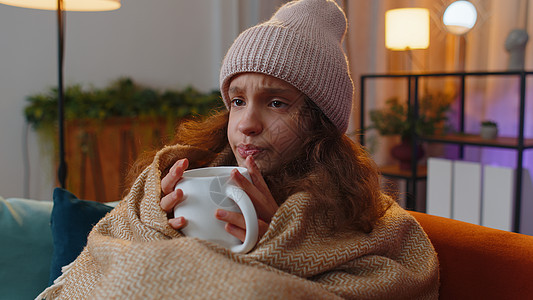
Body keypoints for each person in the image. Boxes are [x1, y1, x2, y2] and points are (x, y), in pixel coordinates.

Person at [39, 0, 439, 299]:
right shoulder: (188, 170)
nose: (246, 123)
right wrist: (159, 222)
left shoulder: (368, 219)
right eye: (237, 100)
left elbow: (400, 277)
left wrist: (282, 243)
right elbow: (115, 247)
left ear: (320, 120)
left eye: (276, 102)